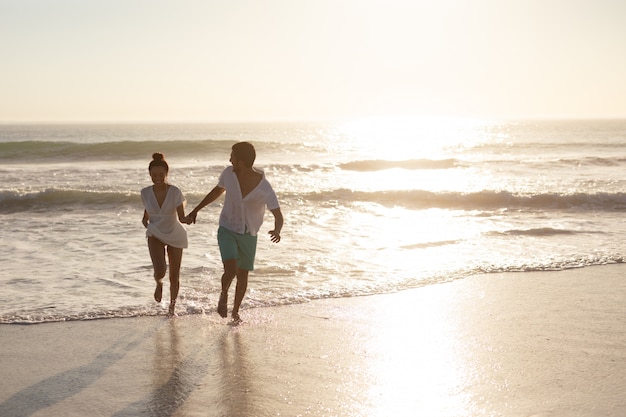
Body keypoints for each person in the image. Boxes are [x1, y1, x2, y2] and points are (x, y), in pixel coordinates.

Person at [187, 142, 283, 321]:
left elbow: (278, 214)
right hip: (227, 228)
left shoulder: (264, 187)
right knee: (230, 270)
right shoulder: (228, 174)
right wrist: (196, 210)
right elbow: (216, 191)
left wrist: (277, 230)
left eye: (233, 156)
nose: (229, 159)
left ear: (242, 161)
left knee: (243, 275)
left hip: (248, 233)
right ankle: (223, 295)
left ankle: (235, 311)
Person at [141, 153, 189, 317]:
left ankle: (172, 308)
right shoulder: (145, 192)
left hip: (174, 233)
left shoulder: (175, 192)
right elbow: (146, 214)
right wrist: (148, 224)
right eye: (154, 175)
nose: (158, 178)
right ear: (150, 175)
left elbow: (182, 217)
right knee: (160, 270)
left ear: (166, 174)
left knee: (174, 275)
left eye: (161, 175)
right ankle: (158, 283)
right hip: (155, 233)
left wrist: (190, 218)